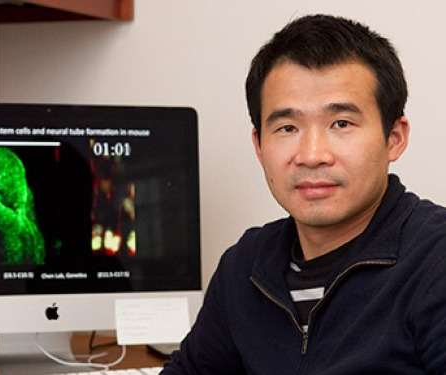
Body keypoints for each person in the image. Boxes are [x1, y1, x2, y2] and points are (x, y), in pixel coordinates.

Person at [161, 14, 446, 374]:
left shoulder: (435, 261)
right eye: (287, 127)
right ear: (259, 146)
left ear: (394, 138)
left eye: (341, 123)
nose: (312, 154)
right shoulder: (245, 267)